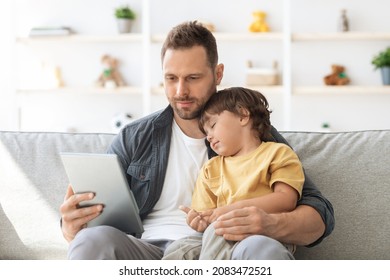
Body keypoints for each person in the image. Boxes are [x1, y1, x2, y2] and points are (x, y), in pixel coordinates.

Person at [60, 21, 334, 260]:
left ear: (217, 74)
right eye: (171, 78)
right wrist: (70, 226)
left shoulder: (252, 132)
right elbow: (90, 219)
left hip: (221, 250)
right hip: (146, 252)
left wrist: (269, 224)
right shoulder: (135, 137)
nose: (181, 91)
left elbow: (320, 215)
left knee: (264, 249)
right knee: (89, 241)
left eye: (193, 78)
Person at [163, 87, 305, 260]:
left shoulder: (277, 153)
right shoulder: (211, 168)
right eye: (206, 132)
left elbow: (286, 199)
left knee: (219, 232)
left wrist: (229, 211)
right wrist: (199, 221)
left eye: (213, 126)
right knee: (179, 249)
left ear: (243, 116)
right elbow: (207, 217)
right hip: (217, 236)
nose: (208, 137)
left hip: (263, 234)